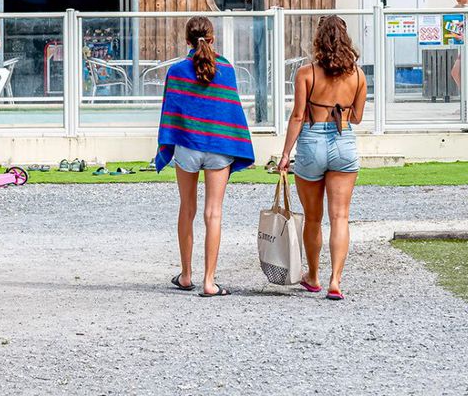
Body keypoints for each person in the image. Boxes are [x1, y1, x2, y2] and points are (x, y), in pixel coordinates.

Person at [154, 16, 255, 297]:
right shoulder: (226, 70)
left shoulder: (176, 72)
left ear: (187, 40)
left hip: (188, 145)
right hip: (219, 147)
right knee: (214, 213)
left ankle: (186, 276)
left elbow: (171, 112)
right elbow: (229, 111)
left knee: (187, 208)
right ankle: (210, 282)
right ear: (213, 38)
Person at [276, 16, 367, 301]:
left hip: (311, 142)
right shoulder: (358, 75)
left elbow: (297, 116)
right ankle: (335, 281)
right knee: (340, 217)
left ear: (318, 40)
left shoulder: (306, 73)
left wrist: (285, 154)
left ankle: (313, 276)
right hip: (343, 141)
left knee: (313, 218)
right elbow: (358, 117)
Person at [450, 0, 468, 88]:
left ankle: (467, 92)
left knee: (459, 71)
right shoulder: (456, 8)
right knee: (456, 72)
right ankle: (464, 92)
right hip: (462, 46)